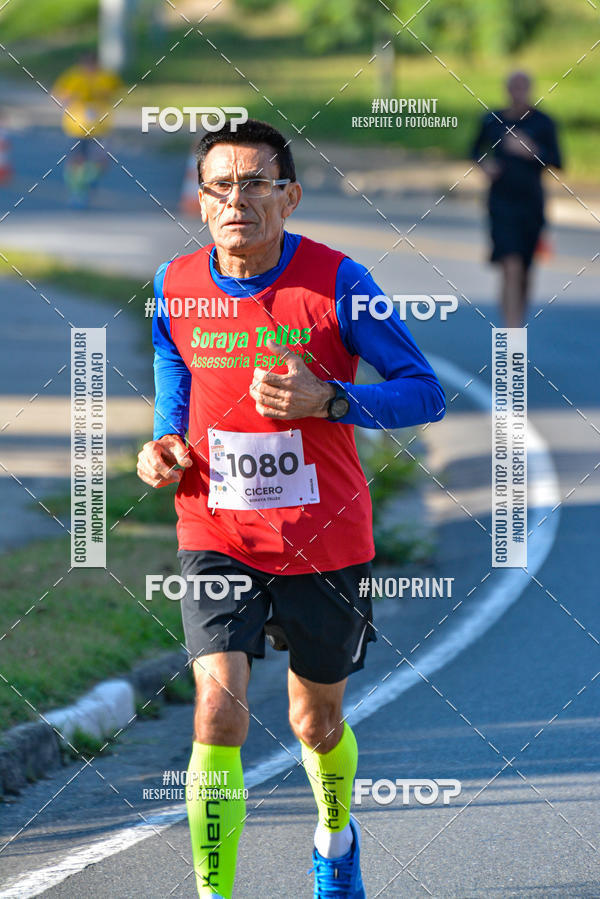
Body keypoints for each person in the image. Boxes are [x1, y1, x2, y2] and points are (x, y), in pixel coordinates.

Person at [137, 118, 446, 898]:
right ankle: (215, 891)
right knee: (218, 707)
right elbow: (174, 368)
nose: (235, 199)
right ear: (198, 200)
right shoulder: (174, 286)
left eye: (255, 183)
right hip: (215, 527)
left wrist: (332, 398)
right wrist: (163, 443)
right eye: (219, 185)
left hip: (325, 536)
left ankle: (335, 842)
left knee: (316, 723)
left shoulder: (338, 283)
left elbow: (425, 392)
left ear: (291, 196)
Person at [471, 70, 562, 327]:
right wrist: (485, 166)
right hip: (501, 203)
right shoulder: (492, 120)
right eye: (514, 86)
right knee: (510, 264)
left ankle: (517, 321)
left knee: (525, 268)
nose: (519, 92)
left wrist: (531, 151)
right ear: (507, 90)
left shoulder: (543, 123)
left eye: (524, 87)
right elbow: (474, 151)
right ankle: (512, 332)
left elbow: (557, 161)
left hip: (531, 203)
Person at [52, 51, 122, 207]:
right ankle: (77, 191)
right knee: (76, 161)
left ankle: (89, 179)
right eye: (86, 64)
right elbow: (58, 95)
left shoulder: (107, 77)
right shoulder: (73, 77)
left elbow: (118, 92)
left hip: (101, 127)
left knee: (101, 161)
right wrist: (69, 99)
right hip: (76, 127)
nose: (89, 68)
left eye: (92, 64)